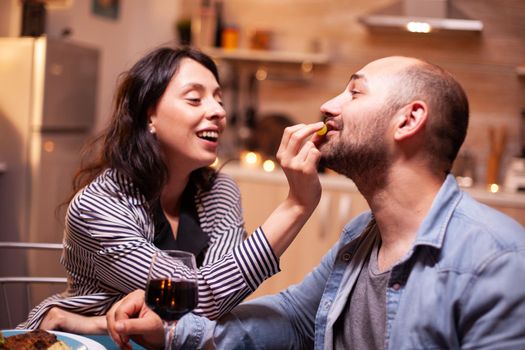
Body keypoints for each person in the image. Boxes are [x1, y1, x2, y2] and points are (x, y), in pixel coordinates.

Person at [107, 56, 525, 350]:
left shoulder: (497, 260)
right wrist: (175, 333)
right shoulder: (361, 235)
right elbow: (294, 318)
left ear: (409, 120)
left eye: (354, 92)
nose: (328, 105)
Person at [18, 46, 324, 332]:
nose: (218, 112)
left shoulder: (219, 190)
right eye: (195, 99)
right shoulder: (100, 205)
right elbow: (201, 297)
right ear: (149, 115)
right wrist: (296, 205)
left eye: (219, 99)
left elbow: (215, 299)